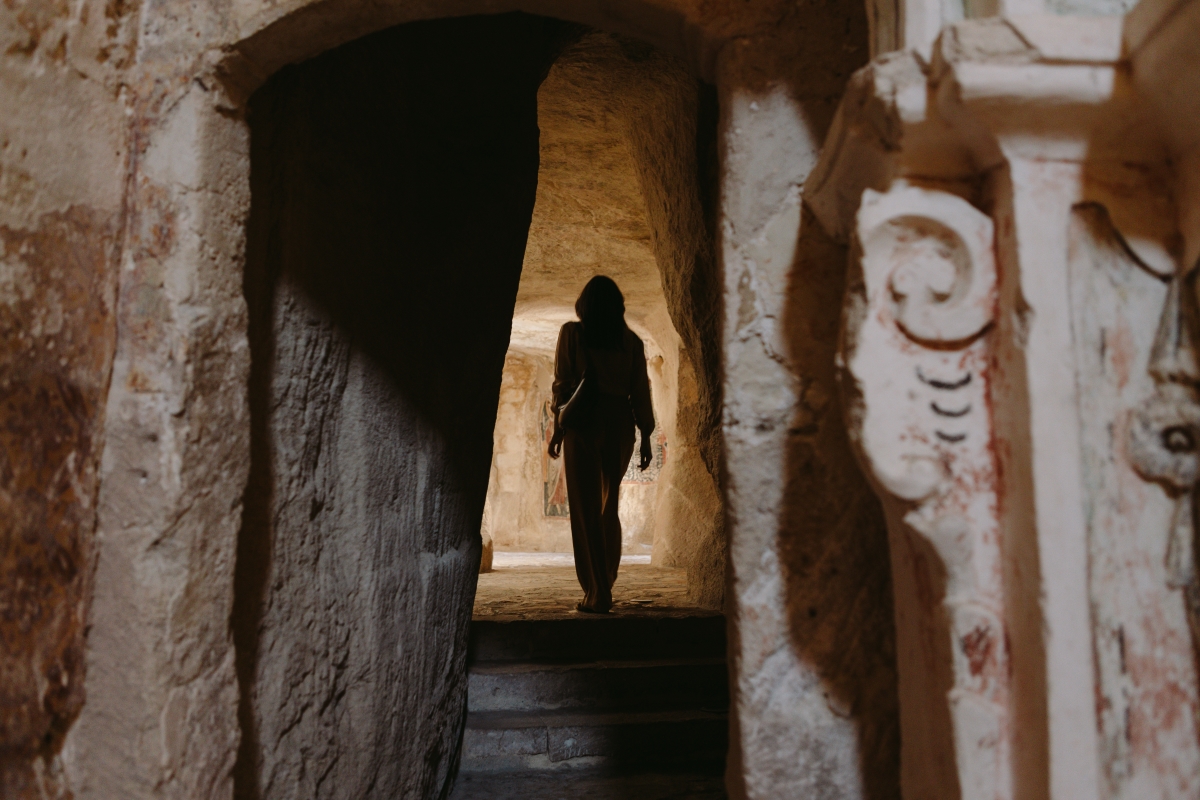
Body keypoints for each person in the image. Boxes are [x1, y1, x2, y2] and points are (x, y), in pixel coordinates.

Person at [547, 276, 655, 614]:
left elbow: (563, 386)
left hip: (585, 421)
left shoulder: (573, 334)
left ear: (585, 305)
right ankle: (605, 581)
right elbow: (640, 392)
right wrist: (647, 435)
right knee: (609, 508)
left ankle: (596, 592)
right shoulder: (632, 343)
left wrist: (558, 430)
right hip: (620, 423)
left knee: (585, 509)